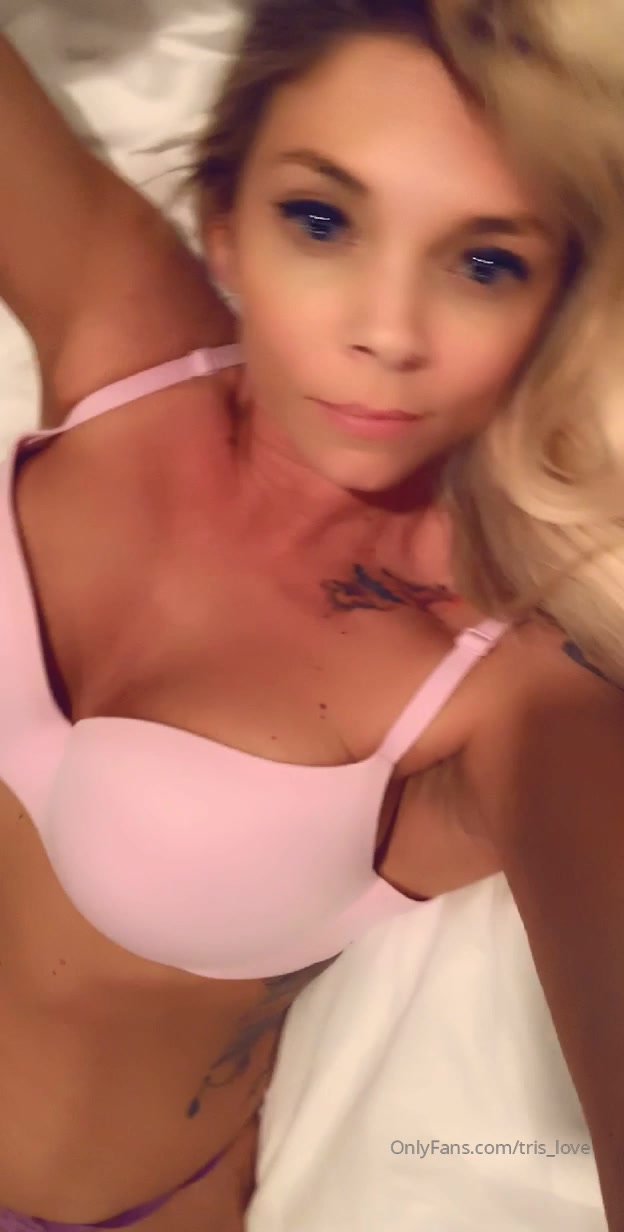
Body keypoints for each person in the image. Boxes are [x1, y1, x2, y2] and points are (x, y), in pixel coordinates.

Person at [0, 0, 623, 1228]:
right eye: (323, 219)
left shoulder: (512, 686)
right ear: (225, 221)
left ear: (558, 303)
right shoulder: (133, 345)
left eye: (485, 262)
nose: (385, 332)